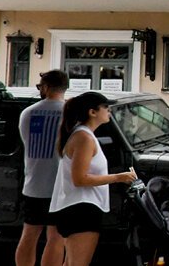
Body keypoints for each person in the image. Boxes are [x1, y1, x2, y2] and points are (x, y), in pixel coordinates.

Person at [48, 91, 137, 266]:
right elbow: (79, 179)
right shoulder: (84, 137)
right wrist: (118, 177)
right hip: (81, 209)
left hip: (78, 207)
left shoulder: (83, 135)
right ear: (92, 112)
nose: (109, 112)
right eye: (106, 108)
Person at [17, 70, 69, 266]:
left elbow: (26, 143)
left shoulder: (27, 113)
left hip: (33, 183)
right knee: (56, 237)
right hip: (61, 185)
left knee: (29, 234)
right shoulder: (70, 113)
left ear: (46, 87)